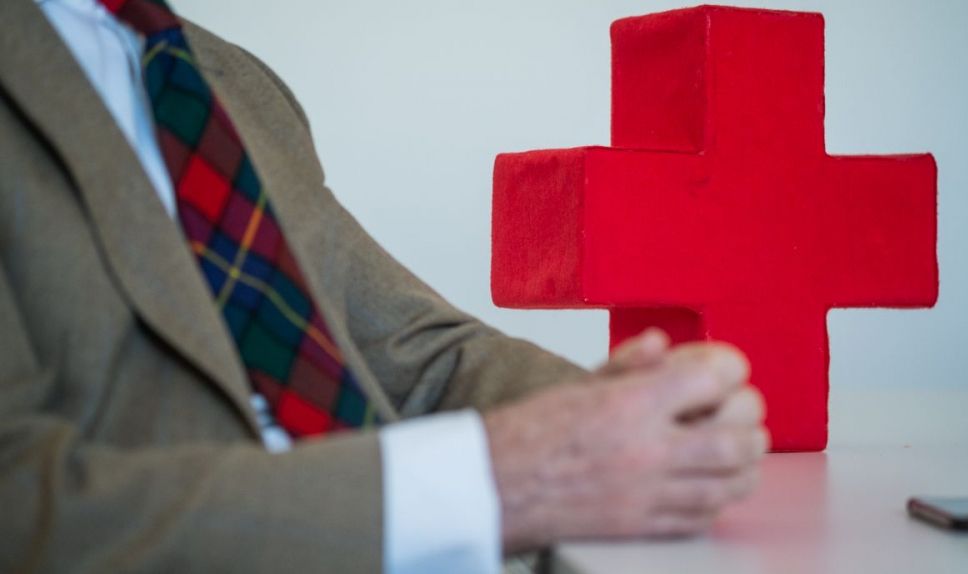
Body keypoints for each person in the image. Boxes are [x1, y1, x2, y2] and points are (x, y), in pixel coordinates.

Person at [0, 0, 769, 572]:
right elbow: (22, 506)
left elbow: (418, 353)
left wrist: (628, 416)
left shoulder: (227, 79)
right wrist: (499, 483)